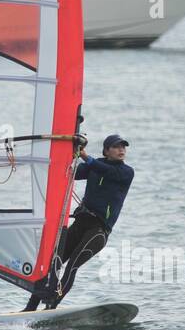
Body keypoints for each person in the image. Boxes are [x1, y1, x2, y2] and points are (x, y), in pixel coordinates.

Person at [24, 133, 134, 311]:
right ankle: (30, 308)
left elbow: (103, 170)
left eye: (123, 146)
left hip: (98, 230)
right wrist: (69, 152)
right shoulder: (96, 165)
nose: (121, 150)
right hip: (81, 223)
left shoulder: (125, 172)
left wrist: (84, 155)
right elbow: (71, 172)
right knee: (53, 263)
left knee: (71, 267)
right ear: (106, 151)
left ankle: (51, 306)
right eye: (116, 146)